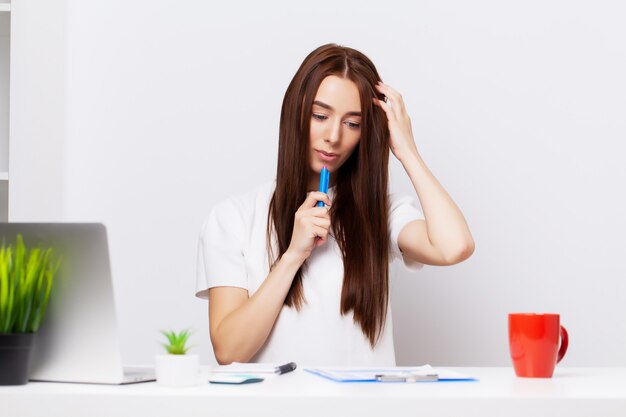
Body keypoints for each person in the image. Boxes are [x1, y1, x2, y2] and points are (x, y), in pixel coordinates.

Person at [195, 44, 474, 366]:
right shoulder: (234, 217)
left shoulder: (381, 213)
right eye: (320, 116)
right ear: (295, 112)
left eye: (353, 124)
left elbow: (455, 247)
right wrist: (292, 257)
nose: (333, 136)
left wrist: (407, 150)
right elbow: (229, 351)